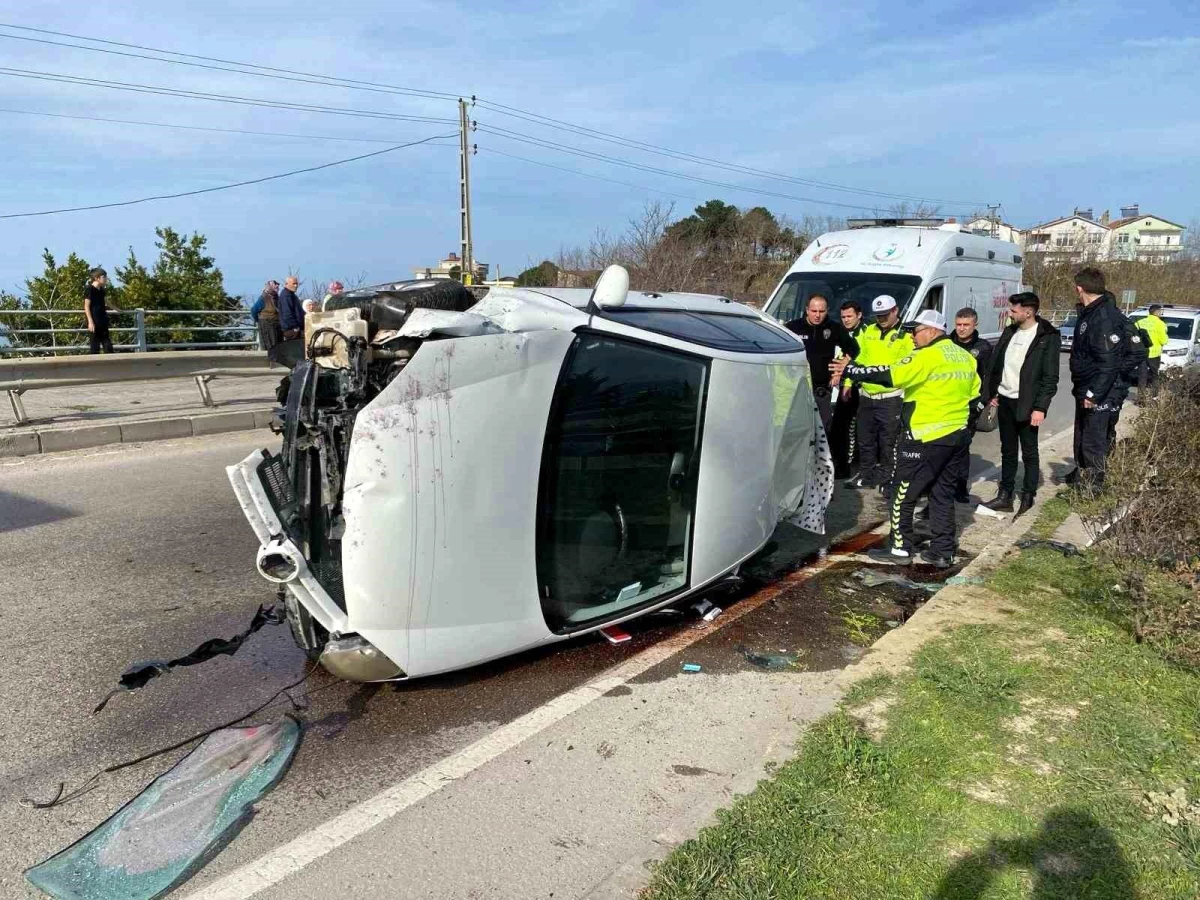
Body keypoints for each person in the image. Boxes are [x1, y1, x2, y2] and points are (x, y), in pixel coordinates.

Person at [830, 309, 980, 567]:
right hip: (957, 436)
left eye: (916, 330)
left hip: (924, 436)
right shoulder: (965, 357)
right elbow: (974, 394)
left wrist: (852, 369)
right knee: (942, 494)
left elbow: (889, 375)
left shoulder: (926, 356)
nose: (911, 336)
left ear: (933, 331)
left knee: (901, 493)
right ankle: (943, 551)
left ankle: (900, 548)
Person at [983, 293, 1061, 518]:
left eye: (1014, 310)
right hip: (1005, 399)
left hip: (1028, 404)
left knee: (1029, 451)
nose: (1010, 313)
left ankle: (1028, 495)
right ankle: (1005, 495)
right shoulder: (1010, 331)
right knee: (1007, 450)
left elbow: (1050, 377)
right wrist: (993, 392)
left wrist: (1040, 407)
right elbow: (998, 363)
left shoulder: (1047, 337)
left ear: (1028, 312)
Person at [845, 295, 914, 492]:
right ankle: (866, 474)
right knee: (865, 438)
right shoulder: (870, 331)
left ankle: (887, 477)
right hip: (867, 395)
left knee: (888, 441)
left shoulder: (906, 335)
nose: (881, 319)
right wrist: (849, 381)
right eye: (878, 315)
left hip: (890, 397)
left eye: (885, 315)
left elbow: (905, 363)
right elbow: (861, 357)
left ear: (895, 311)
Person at [1066, 267, 1123, 490]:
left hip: (1096, 390)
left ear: (1079, 288)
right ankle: (1083, 479)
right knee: (1083, 435)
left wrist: (1094, 393)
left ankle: (1094, 488)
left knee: (1093, 440)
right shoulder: (1091, 313)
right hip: (1085, 386)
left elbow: (1108, 362)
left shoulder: (1104, 317)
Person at [783, 294, 859, 435]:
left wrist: (840, 368)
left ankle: (823, 457)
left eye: (821, 311)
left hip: (822, 390)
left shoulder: (834, 327)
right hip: (798, 390)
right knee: (798, 431)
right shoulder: (793, 327)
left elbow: (854, 349)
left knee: (823, 432)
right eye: (814, 311)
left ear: (827, 311)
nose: (817, 315)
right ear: (807, 310)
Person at [948, 307, 995, 503]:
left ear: (975, 324)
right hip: (945, 403)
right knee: (941, 447)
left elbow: (989, 378)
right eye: (958, 324)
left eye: (966, 325)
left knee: (961, 447)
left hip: (969, 405)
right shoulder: (947, 344)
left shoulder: (983, 348)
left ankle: (960, 487)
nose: (961, 329)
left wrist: (982, 403)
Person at [830, 299, 867, 477]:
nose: (846, 319)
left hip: (861, 386)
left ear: (859, 315)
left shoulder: (867, 333)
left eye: (849, 316)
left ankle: (861, 468)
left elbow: (862, 359)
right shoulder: (839, 331)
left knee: (862, 430)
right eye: (843, 316)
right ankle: (842, 467)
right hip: (843, 386)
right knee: (839, 428)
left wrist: (846, 380)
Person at [1136, 304, 1169, 393]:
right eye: (1160, 311)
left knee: (1142, 376)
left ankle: (1141, 398)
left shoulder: (1139, 322)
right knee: (1154, 375)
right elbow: (1164, 341)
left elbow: (1134, 337)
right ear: (1157, 312)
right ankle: (1154, 396)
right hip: (1154, 354)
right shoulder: (1161, 324)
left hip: (1142, 353)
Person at [84, 267, 114, 354]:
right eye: (104, 277)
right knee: (95, 347)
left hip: (103, 320)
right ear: (97, 278)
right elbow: (86, 306)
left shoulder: (101, 290)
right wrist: (90, 322)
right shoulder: (89, 289)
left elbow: (107, 303)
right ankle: (93, 367)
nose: (106, 279)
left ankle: (109, 366)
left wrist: (119, 310)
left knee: (108, 347)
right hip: (94, 321)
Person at [250, 280, 283, 352]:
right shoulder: (263, 298)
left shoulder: (276, 297)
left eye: (277, 287)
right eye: (275, 286)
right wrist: (258, 320)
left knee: (278, 347)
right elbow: (253, 310)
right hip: (266, 325)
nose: (277, 288)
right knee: (269, 347)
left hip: (276, 325)